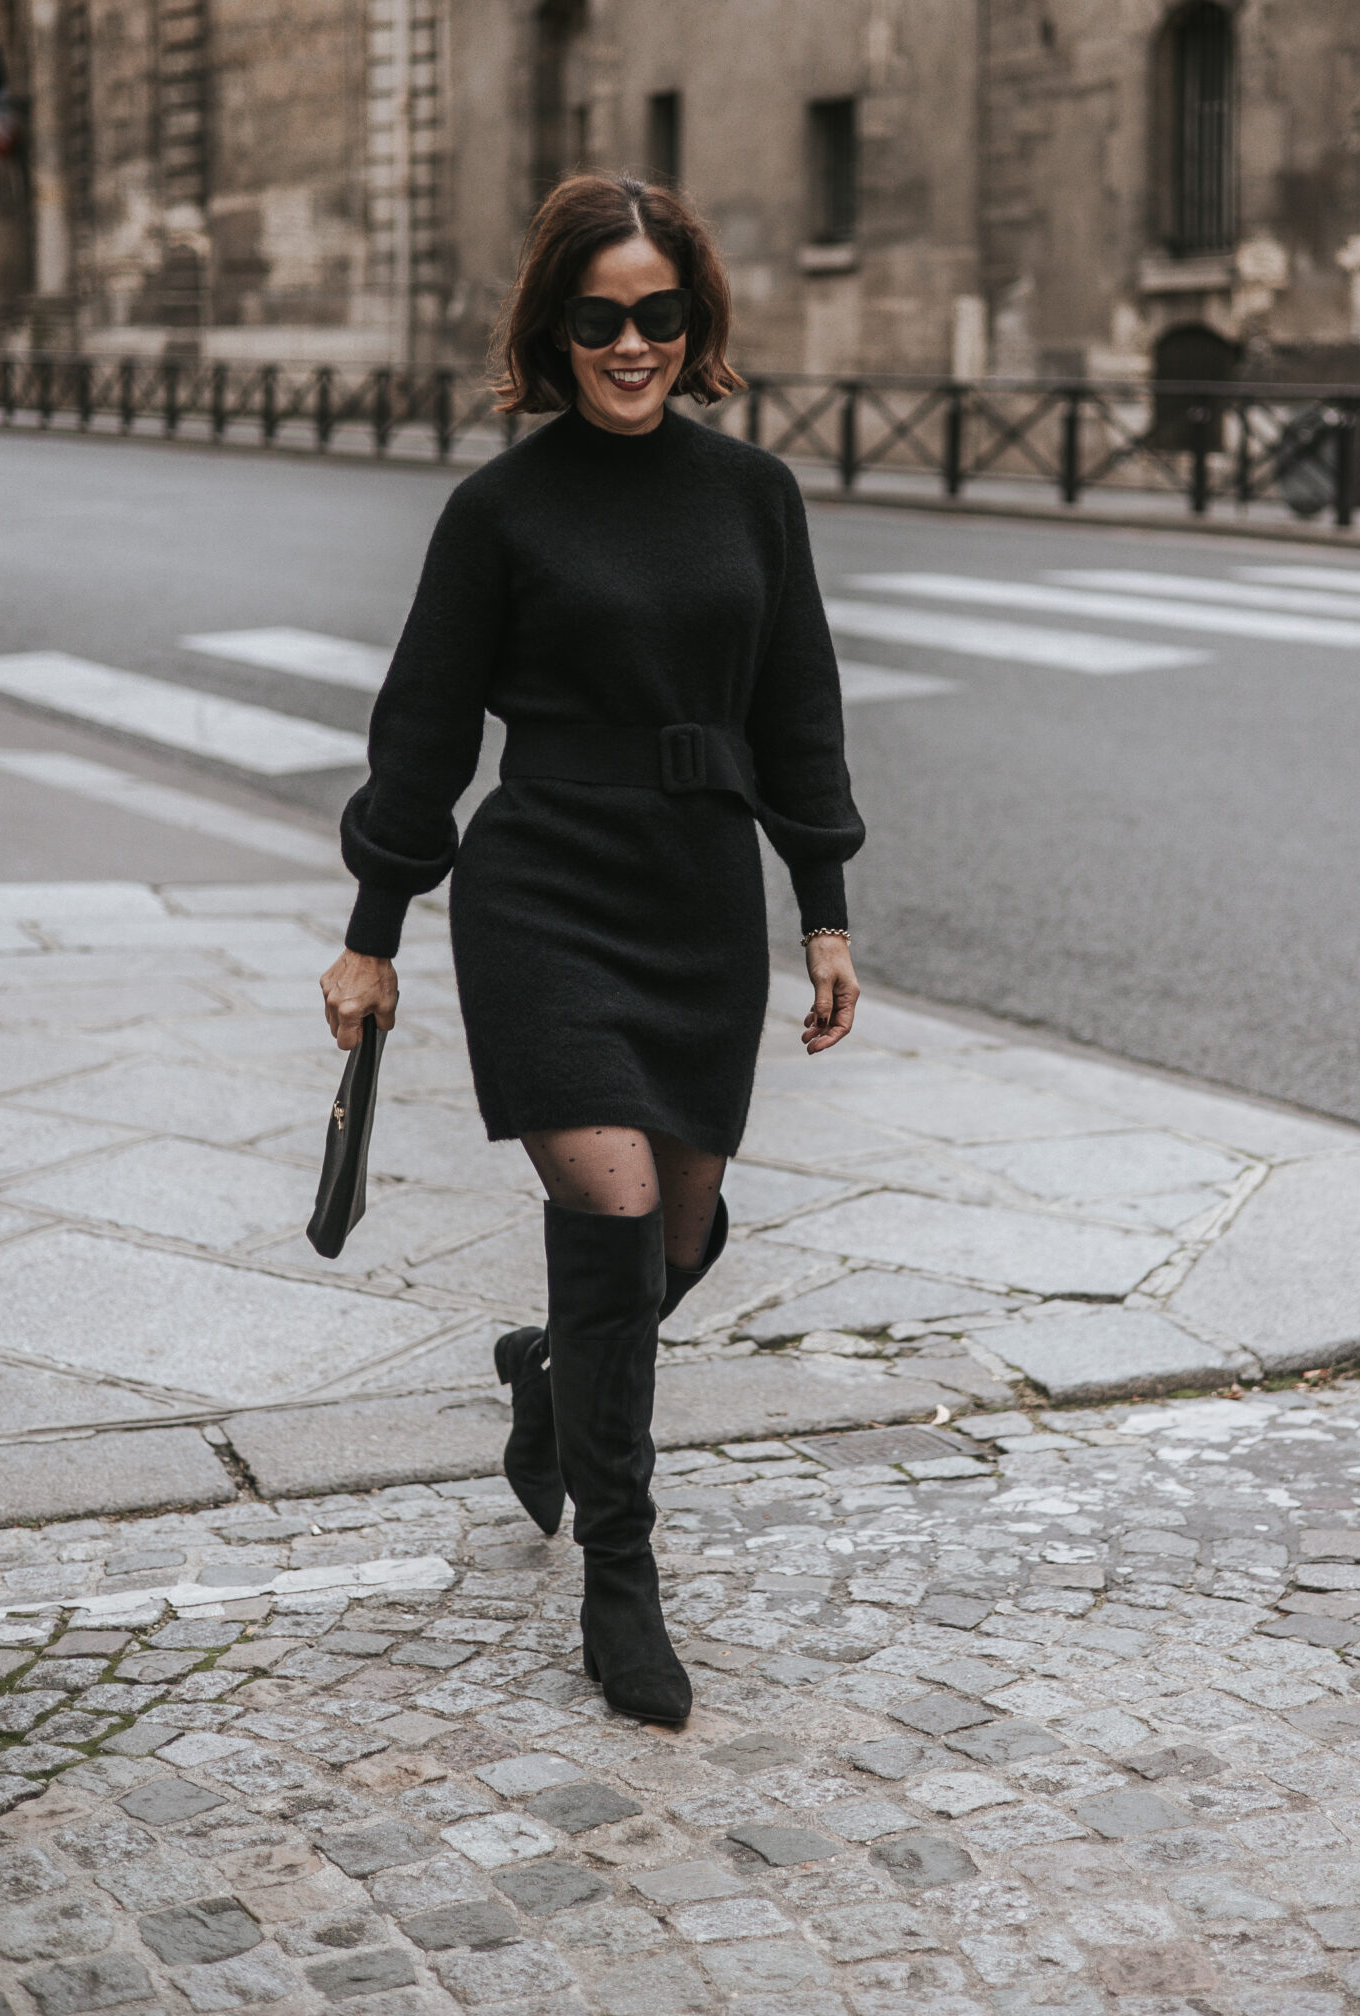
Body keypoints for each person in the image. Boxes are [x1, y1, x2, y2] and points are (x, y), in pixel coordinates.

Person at [317, 172, 863, 1727]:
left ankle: (551, 1386)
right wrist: (373, 938)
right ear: (555, 328)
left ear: (697, 324)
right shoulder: (501, 512)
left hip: (697, 895)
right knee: (613, 1206)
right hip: (545, 887)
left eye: (660, 316)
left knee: (682, 1233)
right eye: (601, 318)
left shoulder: (754, 494)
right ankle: (624, 1585)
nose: (633, 344)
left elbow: (799, 715)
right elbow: (420, 735)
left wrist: (822, 905)